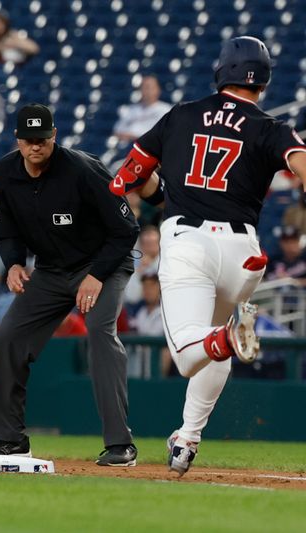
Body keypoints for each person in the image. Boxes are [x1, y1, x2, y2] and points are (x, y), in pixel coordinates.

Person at [108, 36, 306, 476]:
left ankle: (233, 336)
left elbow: (133, 173)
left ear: (221, 72)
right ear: (263, 81)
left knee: (186, 352)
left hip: (189, 244)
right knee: (211, 343)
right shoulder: (268, 126)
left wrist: (130, 186)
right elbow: (301, 163)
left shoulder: (181, 116)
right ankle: (187, 438)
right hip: (243, 253)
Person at [0, 104, 139, 467]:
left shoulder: (83, 169)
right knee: (10, 336)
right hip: (50, 271)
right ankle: (9, 439)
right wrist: (15, 262)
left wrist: (95, 278)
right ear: (18, 140)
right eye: (29, 139)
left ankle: (119, 444)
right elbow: (6, 231)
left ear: (54, 137)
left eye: (43, 139)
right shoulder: (4, 173)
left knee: (99, 331)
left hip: (102, 265)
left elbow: (126, 230)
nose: (36, 146)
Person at [112, 75, 172, 145]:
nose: (146, 91)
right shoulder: (131, 109)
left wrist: (135, 137)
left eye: (149, 87)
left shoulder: (166, 110)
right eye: (143, 88)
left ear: (158, 90)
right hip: (127, 148)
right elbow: (117, 130)